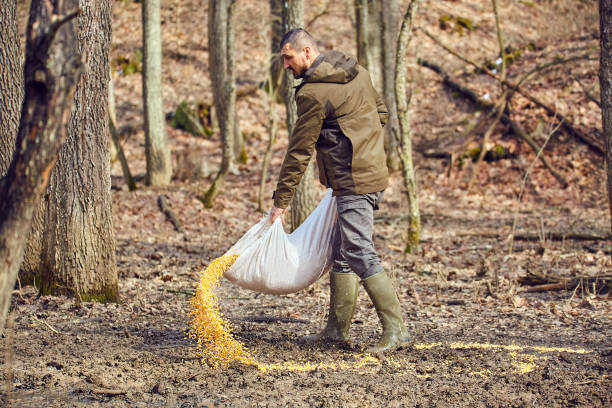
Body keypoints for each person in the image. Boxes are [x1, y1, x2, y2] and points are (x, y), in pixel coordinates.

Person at [269, 28, 410, 353]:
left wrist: (281, 203)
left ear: (307, 52)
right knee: (343, 253)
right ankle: (336, 330)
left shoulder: (312, 94)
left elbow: (299, 151)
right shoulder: (354, 70)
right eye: (283, 60)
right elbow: (382, 112)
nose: (286, 66)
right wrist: (365, 146)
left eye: (288, 58)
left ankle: (397, 329)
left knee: (358, 250)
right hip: (364, 174)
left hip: (355, 181)